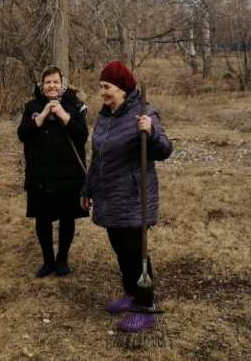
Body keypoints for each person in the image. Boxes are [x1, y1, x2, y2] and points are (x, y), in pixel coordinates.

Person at [80, 60, 173, 333]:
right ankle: (131, 294)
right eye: (100, 87)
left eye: (107, 87)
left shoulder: (143, 113)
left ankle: (145, 307)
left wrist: (150, 132)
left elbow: (165, 150)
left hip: (133, 198)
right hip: (109, 196)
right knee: (121, 251)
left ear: (123, 88)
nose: (102, 92)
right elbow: (97, 159)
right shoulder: (105, 117)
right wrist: (87, 189)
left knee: (135, 253)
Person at [17, 66, 89, 278]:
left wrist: (64, 116)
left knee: (67, 218)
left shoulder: (74, 105)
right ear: (42, 85)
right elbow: (22, 135)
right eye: (48, 82)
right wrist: (41, 117)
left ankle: (62, 259)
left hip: (69, 174)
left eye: (56, 82)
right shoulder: (32, 106)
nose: (52, 86)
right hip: (40, 175)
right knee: (42, 219)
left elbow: (82, 136)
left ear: (62, 84)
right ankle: (48, 261)